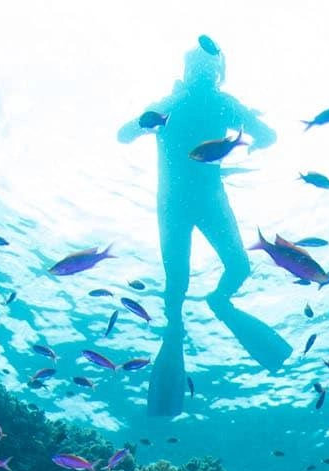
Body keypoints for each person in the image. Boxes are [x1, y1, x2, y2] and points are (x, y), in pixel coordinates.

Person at [120, 37, 291, 417]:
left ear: (217, 73)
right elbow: (126, 132)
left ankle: (214, 305)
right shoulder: (180, 103)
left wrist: (250, 126)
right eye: (197, 67)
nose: (202, 73)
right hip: (180, 206)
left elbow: (268, 136)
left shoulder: (213, 104)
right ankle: (178, 326)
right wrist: (144, 121)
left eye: (207, 67)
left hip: (198, 202)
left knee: (232, 269)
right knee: (177, 285)